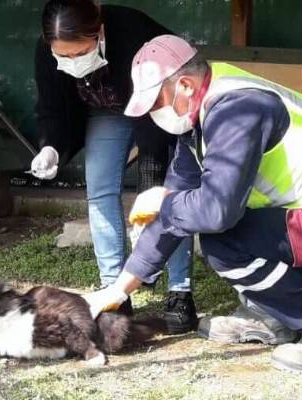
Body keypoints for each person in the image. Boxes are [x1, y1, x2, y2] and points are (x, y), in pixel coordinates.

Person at [83, 34, 302, 371]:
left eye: (156, 103)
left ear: (185, 86)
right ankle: (274, 315)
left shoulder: (237, 108)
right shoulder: (202, 112)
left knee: (224, 241)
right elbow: (175, 213)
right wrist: (118, 289)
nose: (154, 115)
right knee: (218, 228)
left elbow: (215, 211)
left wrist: (164, 201)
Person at [30, 0, 198, 332]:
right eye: (64, 56)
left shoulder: (132, 33)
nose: (73, 62)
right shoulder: (47, 50)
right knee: (100, 189)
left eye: (81, 54)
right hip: (104, 110)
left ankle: (180, 291)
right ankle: (114, 293)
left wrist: (150, 190)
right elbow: (52, 106)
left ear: (100, 32)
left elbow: (154, 132)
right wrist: (50, 146)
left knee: (167, 198)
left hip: (156, 105)